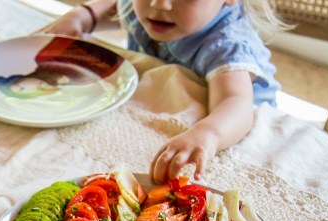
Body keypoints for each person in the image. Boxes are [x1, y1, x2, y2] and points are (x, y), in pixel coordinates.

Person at [39, 0, 287, 184]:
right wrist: (84, 16)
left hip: (231, 123)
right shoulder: (148, 6)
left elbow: (236, 102)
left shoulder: (227, 43)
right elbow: (120, 5)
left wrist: (208, 133)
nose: (160, 4)